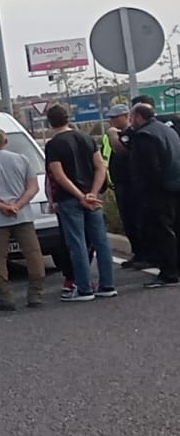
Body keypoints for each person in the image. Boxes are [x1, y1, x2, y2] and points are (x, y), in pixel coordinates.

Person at [43, 104, 116, 301]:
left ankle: (84, 288)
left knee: (77, 244)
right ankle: (107, 285)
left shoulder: (54, 145)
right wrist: (91, 193)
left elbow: (58, 176)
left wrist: (79, 196)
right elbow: (101, 167)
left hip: (70, 199)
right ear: (69, 118)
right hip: (93, 198)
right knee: (101, 242)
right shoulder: (87, 138)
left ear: (49, 122)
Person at [0, 127, 46, 310]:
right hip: (23, 215)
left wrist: (2, 206)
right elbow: (33, 188)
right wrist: (17, 205)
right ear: (6, 141)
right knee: (33, 255)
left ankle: (5, 298)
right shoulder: (21, 159)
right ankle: (35, 294)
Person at [126, 102, 180, 287]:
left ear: (139, 116)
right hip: (175, 187)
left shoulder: (144, 136)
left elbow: (150, 168)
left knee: (162, 232)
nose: (130, 122)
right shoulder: (167, 130)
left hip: (158, 192)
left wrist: (145, 193)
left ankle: (168, 273)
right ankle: (175, 268)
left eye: (131, 118)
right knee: (175, 229)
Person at [103, 104, 146, 269]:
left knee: (137, 221)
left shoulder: (131, 133)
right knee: (128, 222)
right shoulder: (113, 135)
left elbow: (122, 151)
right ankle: (138, 253)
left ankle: (145, 254)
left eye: (115, 117)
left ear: (126, 116)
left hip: (133, 186)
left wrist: (114, 136)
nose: (111, 121)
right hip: (120, 186)